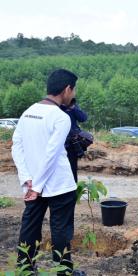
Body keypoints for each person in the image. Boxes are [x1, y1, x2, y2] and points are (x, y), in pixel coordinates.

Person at [12, 69, 79, 275]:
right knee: (61, 230)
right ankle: (63, 271)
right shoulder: (60, 118)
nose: (74, 95)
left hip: (33, 185)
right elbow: (52, 154)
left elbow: (16, 146)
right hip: (58, 184)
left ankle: (25, 269)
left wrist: (28, 181)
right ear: (67, 89)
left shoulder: (28, 112)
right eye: (74, 90)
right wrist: (38, 185)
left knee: (30, 225)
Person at [61, 98, 88, 182]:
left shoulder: (72, 105)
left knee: (72, 170)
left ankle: (73, 191)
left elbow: (83, 118)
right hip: (59, 143)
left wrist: (72, 107)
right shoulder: (56, 107)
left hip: (72, 143)